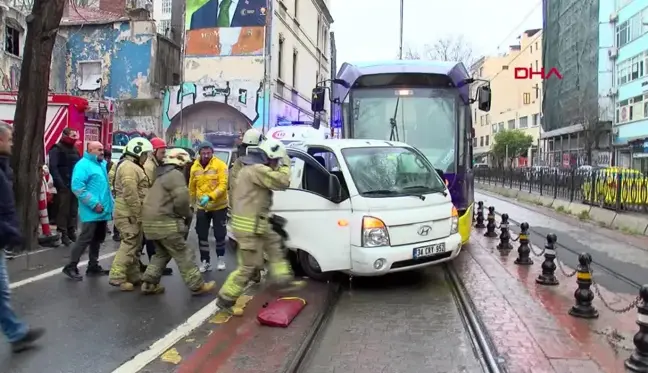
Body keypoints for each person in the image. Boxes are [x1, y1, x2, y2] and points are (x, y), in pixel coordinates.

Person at [217, 139, 305, 315]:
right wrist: (286, 164)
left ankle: (283, 281)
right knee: (249, 267)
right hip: (249, 227)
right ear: (270, 157)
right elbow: (282, 182)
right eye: (276, 161)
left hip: (257, 223)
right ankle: (226, 299)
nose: (277, 164)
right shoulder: (257, 169)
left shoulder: (248, 169)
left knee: (274, 243)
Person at [140, 148, 215, 295]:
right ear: (180, 162)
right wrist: (187, 213)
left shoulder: (161, 174)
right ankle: (197, 285)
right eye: (186, 163)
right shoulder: (175, 175)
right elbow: (181, 201)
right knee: (183, 252)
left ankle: (149, 284)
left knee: (161, 253)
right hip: (164, 222)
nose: (186, 166)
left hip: (150, 222)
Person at [0, 121, 46, 352]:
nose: (11, 144)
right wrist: (9, 231)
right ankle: (17, 334)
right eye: (8, 139)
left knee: (1, 292)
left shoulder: (3, 167)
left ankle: (16, 334)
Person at [62, 141, 113, 280]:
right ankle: (71, 266)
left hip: (102, 210)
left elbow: (104, 188)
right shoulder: (83, 165)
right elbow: (77, 187)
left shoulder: (101, 164)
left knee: (97, 238)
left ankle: (93, 265)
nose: (102, 152)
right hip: (92, 210)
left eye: (103, 149)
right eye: (99, 149)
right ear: (90, 150)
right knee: (84, 238)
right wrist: (93, 203)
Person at [108, 137, 153, 291]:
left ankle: (134, 275)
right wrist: (138, 213)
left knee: (135, 244)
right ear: (137, 152)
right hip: (129, 212)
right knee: (129, 243)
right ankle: (117, 277)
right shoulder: (129, 168)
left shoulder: (131, 166)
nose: (146, 157)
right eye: (145, 154)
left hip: (129, 211)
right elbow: (131, 194)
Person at [189, 141, 229, 272]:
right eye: (203, 152)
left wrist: (210, 196)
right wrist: (191, 204)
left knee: (219, 234)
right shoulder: (194, 167)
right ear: (199, 153)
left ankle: (220, 258)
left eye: (208, 152)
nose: (206, 155)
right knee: (202, 235)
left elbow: (223, 185)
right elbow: (192, 188)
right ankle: (205, 261)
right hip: (202, 207)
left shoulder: (220, 165)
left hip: (219, 206)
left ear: (212, 152)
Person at [141, 137, 172, 276]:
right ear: (154, 152)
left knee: (147, 238)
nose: (164, 155)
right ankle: (153, 267)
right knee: (150, 239)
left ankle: (150, 266)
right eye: (162, 152)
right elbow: (148, 187)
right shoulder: (149, 167)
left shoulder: (154, 164)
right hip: (150, 207)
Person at [48, 128, 81, 245]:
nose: (74, 137)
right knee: (63, 210)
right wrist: (60, 183)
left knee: (73, 209)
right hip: (64, 185)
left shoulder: (75, 150)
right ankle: (63, 233)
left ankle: (71, 230)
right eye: (72, 135)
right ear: (65, 135)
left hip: (74, 185)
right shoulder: (57, 149)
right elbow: (53, 167)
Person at [109, 153, 125, 242]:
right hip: (120, 191)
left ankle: (118, 233)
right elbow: (111, 176)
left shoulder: (118, 163)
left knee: (120, 213)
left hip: (118, 191)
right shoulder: (120, 163)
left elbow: (111, 175)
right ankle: (117, 233)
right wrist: (111, 188)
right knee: (120, 213)